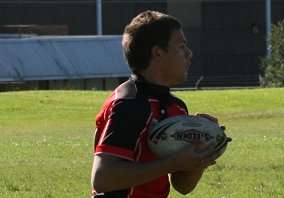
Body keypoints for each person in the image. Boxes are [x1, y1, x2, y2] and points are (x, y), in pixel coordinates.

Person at [91, 10, 229, 197]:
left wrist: (201, 151)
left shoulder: (177, 108)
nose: (189, 54)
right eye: (181, 46)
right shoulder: (130, 104)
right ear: (157, 53)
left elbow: (182, 186)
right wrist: (174, 162)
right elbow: (102, 179)